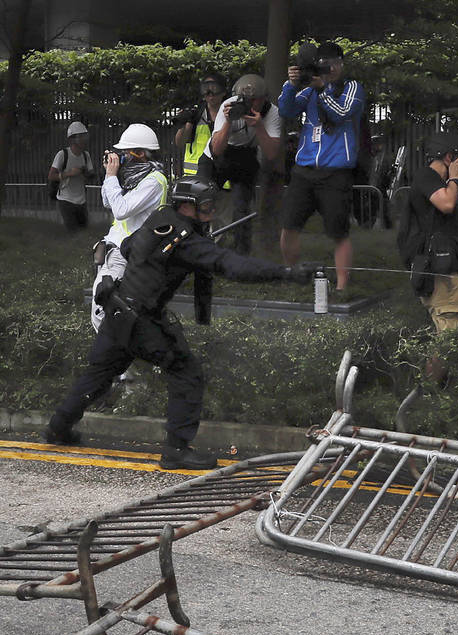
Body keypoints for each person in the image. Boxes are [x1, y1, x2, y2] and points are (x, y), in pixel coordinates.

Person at [43, 177, 315, 469]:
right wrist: (285, 273)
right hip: (141, 320)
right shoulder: (184, 239)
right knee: (186, 372)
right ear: (186, 206)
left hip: (118, 311)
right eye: (206, 206)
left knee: (99, 374)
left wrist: (163, 260)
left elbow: (127, 249)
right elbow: (231, 265)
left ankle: (58, 428)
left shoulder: (159, 219)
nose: (211, 212)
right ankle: (176, 450)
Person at [278, 40, 366, 293]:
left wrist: (324, 89)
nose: (331, 68)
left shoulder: (352, 88)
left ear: (342, 64)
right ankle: (293, 277)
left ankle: (342, 286)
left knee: (339, 231)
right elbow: (287, 110)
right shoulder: (310, 91)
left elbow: (341, 113)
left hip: (336, 172)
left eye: (336, 63)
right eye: (325, 64)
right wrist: (291, 84)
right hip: (304, 171)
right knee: (289, 227)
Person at [405, 131, 458, 381]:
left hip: (457, 269)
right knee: (448, 338)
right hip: (439, 273)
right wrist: (454, 180)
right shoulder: (427, 177)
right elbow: (447, 205)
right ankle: (428, 394)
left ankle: (455, 388)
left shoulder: (447, 186)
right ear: (449, 157)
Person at [91, 124, 169, 333]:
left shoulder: (154, 181)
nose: (122, 156)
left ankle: (116, 361)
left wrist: (111, 176)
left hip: (130, 253)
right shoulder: (132, 177)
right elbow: (109, 202)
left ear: (141, 153)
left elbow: (120, 210)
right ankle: (119, 359)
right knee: (106, 309)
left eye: (126, 152)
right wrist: (110, 175)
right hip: (116, 249)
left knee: (105, 309)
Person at [201, 73, 281, 254]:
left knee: (242, 207)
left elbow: (271, 153)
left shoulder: (272, 113)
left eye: (255, 101)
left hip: (245, 154)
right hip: (217, 154)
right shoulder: (229, 106)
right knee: (202, 198)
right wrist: (228, 122)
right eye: (245, 100)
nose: (249, 105)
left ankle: (241, 254)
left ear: (264, 99)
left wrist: (259, 126)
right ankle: (199, 245)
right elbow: (217, 149)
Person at [175, 73, 227, 178]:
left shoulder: (230, 115)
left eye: (214, 88)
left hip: (223, 179)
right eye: (206, 89)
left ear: (223, 91)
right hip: (195, 177)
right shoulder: (197, 114)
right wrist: (184, 123)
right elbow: (180, 143)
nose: (210, 94)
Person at [48, 121, 95, 232]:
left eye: (85, 136)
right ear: (72, 139)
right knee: (72, 233)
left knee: (84, 232)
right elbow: (51, 176)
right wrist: (69, 173)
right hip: (66, 200)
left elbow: (91, 175)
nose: (84, 139)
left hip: (81, 200)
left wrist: (85, 172)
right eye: (81, 136)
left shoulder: (85, 155)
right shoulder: (62, 154)